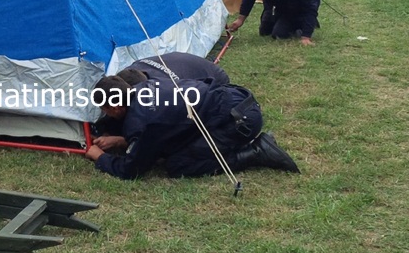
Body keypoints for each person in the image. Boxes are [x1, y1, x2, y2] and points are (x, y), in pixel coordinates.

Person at [84, 74, 300, 180]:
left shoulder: (141, 121)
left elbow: (132, 169)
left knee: (178, 165)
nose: (105, 114)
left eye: (105, 110)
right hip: (239, 100)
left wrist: (100, 157)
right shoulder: (146, 85)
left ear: (115, 107)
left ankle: (256, 152)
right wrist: (123, 140)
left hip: (238, 122)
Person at [91, 51, 230, 150]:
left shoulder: (165, 93)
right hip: (184, 62)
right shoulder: (129, 74)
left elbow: (161, 137)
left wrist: (122, 141)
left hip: (215, 77)